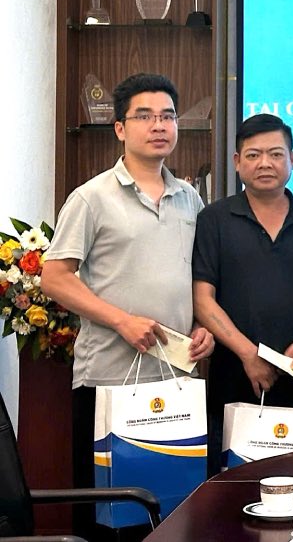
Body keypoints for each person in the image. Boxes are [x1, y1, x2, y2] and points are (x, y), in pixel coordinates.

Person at [40, 73, 214, 539]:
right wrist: (121, 320)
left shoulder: (190, 199)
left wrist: (203, 328)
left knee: (171, 513)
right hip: (109, 382)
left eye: (168, 116)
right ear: (120, 128)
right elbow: (54, 277)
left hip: (175, 382)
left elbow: (193, 281)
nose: (158, 126)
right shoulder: (91, 197)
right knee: (110, 514)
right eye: (144, 116)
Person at [192, 113, 293, 475]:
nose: (265, 163)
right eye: (253, 155)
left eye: (276, 154)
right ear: (236, 162)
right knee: (232, 485)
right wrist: (249, 355)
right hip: (234, 375)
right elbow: (202, 298)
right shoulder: (213, 220)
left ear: (292, 160)